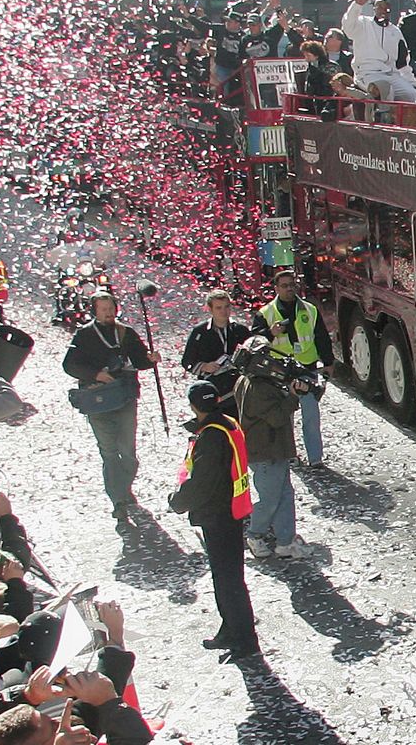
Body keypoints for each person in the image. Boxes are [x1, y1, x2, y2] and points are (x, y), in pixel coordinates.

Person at [168, 381, 259, 660]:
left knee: (228, 579)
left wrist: (177, 500)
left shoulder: (210, 436)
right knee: (229, 577)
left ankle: (243, 638)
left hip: (219, 514)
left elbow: (203, 481)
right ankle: (230, 628)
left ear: (194, 406)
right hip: (234, 508)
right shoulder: (228, 424)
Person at [62, 289, 160, 532]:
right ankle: (118, 500)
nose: (108, 313)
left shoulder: (125, 333)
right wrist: (95, 374)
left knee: (127, 452)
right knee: (108, 452)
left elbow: (139, 360)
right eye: (102, 309)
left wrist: (150, 359)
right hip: (98, 399)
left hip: (125, 397)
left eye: (110, 308)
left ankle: (122, 488)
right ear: (94, 310)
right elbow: (70, 364)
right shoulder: (84, 335)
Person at [251, 269, 334, 468]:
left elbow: (321, 337)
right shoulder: (265, 313)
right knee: (284, 418)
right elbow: (254, 342)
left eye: (292, 285)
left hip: (307, 369)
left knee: (311, 417)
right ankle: (289, 455)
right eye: (285, 286)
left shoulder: (309, 309)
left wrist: (329, 362)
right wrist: (270, 333)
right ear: (276, 288)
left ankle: (315, 458)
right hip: (279, 373)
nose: (289, 289)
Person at [233, 336, 306, 560]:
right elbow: (276, 418)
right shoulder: (259, 388)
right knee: (270, 498)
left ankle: (285, 542)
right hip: (267, 451)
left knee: (284, 494)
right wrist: (292, 396)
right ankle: (255, 535)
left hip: (272, 450)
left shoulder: (245, 381)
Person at [343, 0, 416, 120]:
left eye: (387, 8)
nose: (383, 10)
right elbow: (348, 27)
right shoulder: (363, 24)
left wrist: (412, 82)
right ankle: (386, 125)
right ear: (374, 8)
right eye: (380, 7)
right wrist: (357, 5)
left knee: (414, 97)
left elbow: (402, 62)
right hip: (368, 74)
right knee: (387, 91)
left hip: (391, 74)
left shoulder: (395, 31)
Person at [181, 289, 254, 405]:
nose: (224, 311)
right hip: (212, 390)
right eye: (218, 308)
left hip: (238, 388)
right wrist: (204, 366)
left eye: (226, 307)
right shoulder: (200, 332)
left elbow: (254, 356)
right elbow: (186, 361)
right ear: (210, 309)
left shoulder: (241, 330)